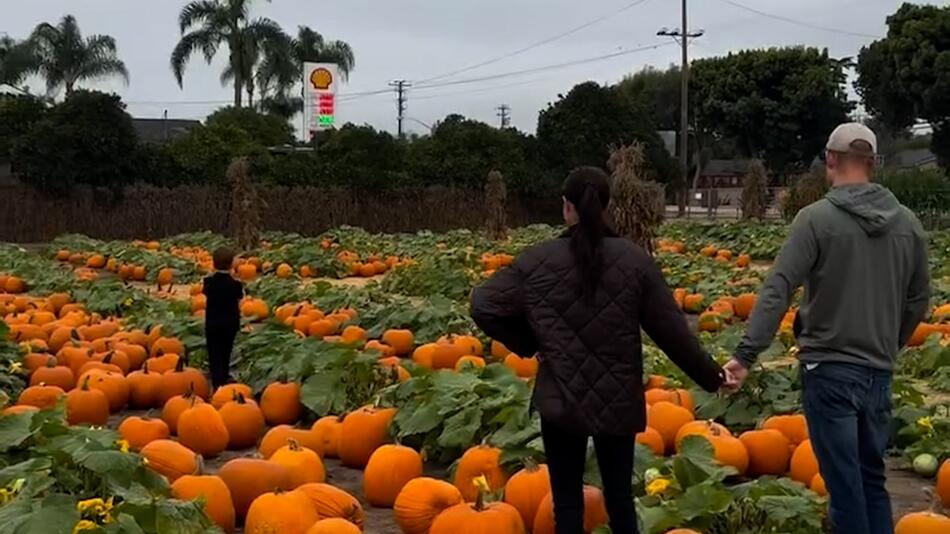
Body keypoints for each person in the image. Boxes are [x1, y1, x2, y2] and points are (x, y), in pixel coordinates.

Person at [471, 166, 725, 534]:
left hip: (561, 398)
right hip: (617, 397)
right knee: (620, 500)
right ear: (605, 205)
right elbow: (672, 333)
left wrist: (531, 343)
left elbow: (483, 304)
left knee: (567, 504)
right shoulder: (634, 260)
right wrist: (713, 377)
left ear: (566, 207)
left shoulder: (538, 260)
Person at [723, 123, 930, 534]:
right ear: (872, 163)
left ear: (830, 160)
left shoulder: (816, 219)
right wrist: (892, 341)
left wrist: (746, 354)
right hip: (878, 371)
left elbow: (778, 287)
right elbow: (918, 300)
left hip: (830, 370)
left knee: (844, 488)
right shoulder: (907, 224)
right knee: (872, 479)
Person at [203, 247, 244, 389]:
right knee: (226, 352)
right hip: (230, 324)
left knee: (214, 354)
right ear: (231, 264)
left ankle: (216, 384)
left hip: (212, 324)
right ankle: (224, 378)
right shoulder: (235, 284)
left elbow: (205, 291)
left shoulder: (208, 282)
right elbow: (240, 296)